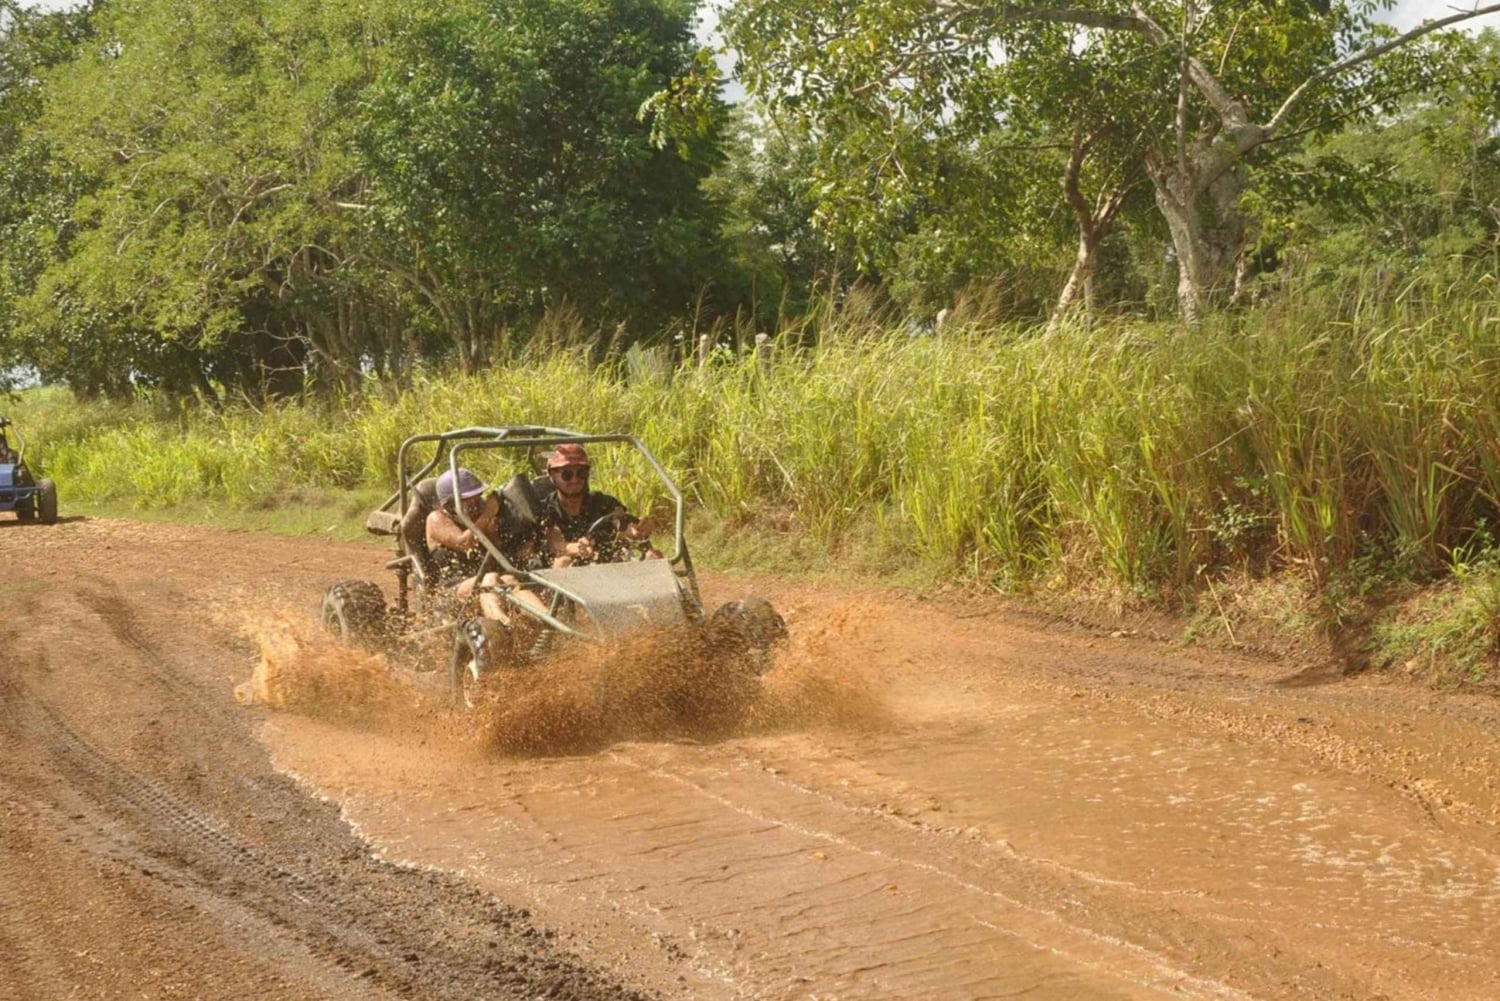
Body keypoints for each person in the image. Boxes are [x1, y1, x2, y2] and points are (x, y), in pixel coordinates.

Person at [425, 467, 546, 625]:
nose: (476, 504)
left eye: (477, 497)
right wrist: (487, 514)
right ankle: (502, 624)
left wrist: (496, 526)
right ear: (449, 504)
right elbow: (465, 543)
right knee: (488, 579)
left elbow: (499, 554)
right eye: (468, 500)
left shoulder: (480, 520)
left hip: (490, 583)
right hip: (452, 592)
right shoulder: (436, 519)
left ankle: (547, 620)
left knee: (510, 579)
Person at [539, 443, 659, 564]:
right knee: (562, 562)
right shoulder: (546, 509)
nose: (575, 480)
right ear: (552, 475)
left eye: (581, 473)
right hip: (562, 575)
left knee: (654, 556)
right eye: (567, 475)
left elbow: (624, 525)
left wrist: (638, 530)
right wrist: (573, 548)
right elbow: (555, 543)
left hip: (607, 569)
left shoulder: (603, 503)